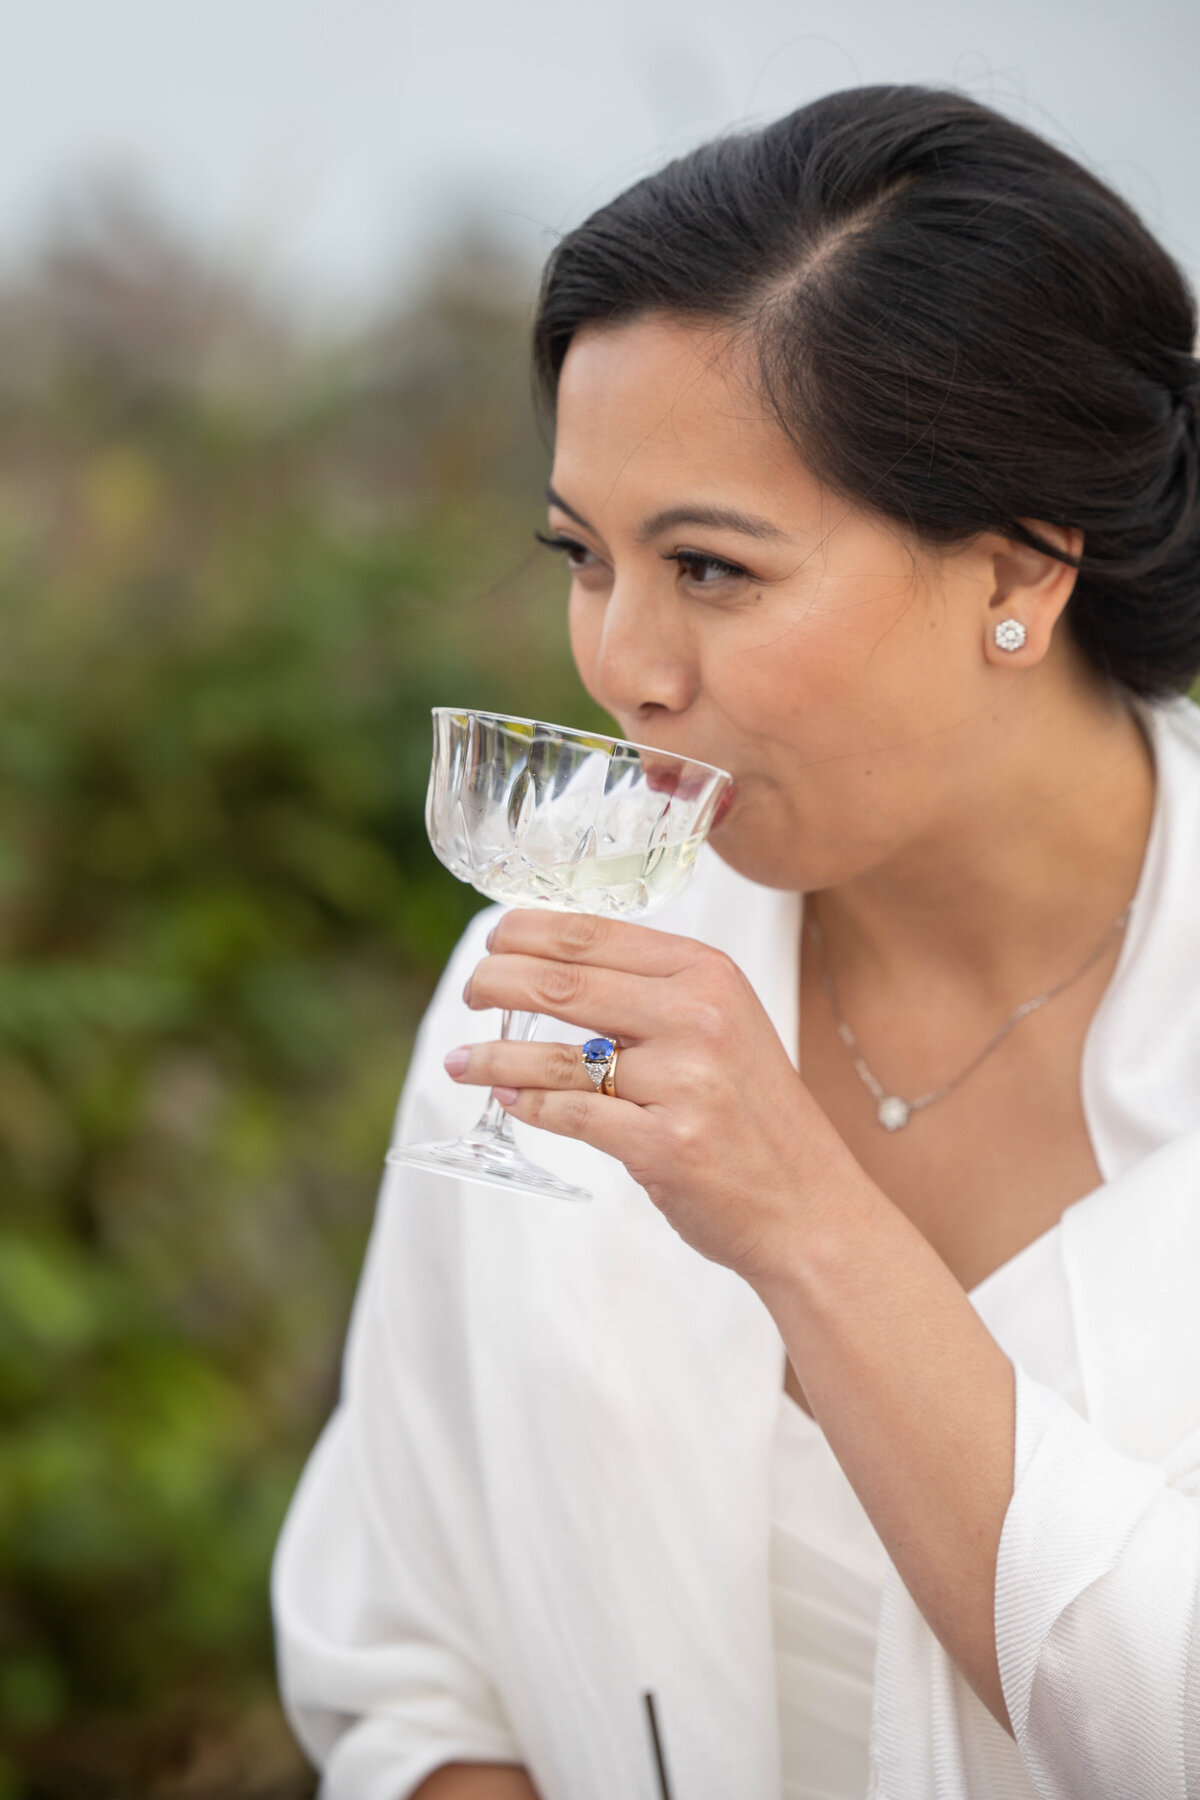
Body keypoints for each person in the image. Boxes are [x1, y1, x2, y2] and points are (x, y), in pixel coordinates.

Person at [271, 86, 1200, 1800]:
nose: (622, 662)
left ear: (1024, 562)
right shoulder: (575, 965)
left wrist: (799, 1218)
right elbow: (410, 1650)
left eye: (708, 568)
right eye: (582, 555)